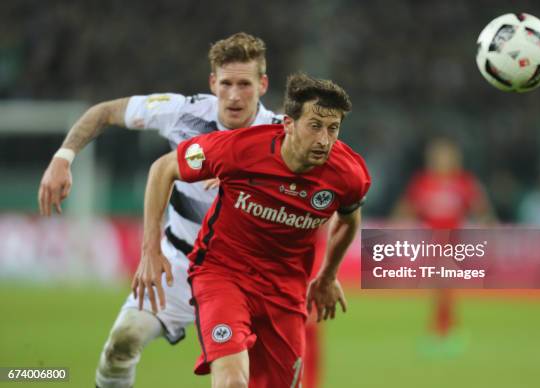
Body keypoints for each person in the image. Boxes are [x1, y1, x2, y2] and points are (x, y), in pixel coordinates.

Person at [38, 33, 329, 388]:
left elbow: (322, 201)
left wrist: (317, 271)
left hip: (250, 280)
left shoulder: (283, 138)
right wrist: (63, 157)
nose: (234, 95)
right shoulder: (183, 113)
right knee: (122, 344)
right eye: (226, 83)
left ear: (263, 84)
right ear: (212, 83)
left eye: (245, 84)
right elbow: (104, 112)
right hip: (179, 263)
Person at [133, 73, 370, 387]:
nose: (324, 140)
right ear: (288, 123)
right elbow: (164, 168)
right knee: (232, 381)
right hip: (223, 274)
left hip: (285, 290)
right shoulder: (239, 149)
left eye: (333, 128)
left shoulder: (348, 174)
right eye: (315, 126)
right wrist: (150, 250)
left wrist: (327, 276)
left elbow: (349, 218)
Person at [393, 137, 495, 350]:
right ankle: (444, 329)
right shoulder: (422, 182)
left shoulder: (463, 182)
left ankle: (444, 330)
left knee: (443, 286)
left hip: (453, 243)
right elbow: (407, 208)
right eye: (437, 156)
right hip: (430, 242)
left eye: (445, 156)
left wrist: (489, 226)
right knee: (439, 288)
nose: (440, 160)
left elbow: (480, 207)